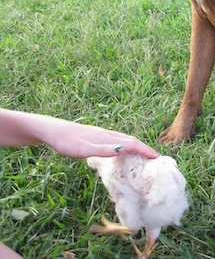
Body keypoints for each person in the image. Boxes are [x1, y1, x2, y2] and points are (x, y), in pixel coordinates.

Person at [0, 108, 160, 258]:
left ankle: (137, 238)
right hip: (163, 190)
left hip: (156, 196)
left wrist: (50, 129)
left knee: (135, 214)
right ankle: (147, 246)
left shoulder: (114, 173)